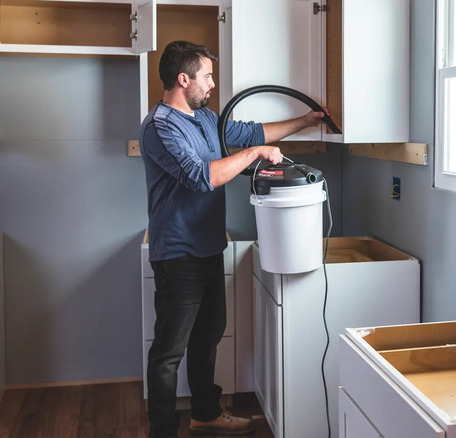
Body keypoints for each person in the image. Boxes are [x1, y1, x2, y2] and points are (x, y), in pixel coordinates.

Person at [139, 40, 325, 437]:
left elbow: (252, 131)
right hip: (178, 254)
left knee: (207, 336)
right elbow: (201, 176)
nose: (211, 84)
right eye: (206, 76)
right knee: (169, 352)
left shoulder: (205, 118)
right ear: (183, 78)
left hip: (209, 247)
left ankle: (205, 412)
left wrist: (305, 122)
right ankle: (163, 430)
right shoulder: (160, 126)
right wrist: (257, 152)